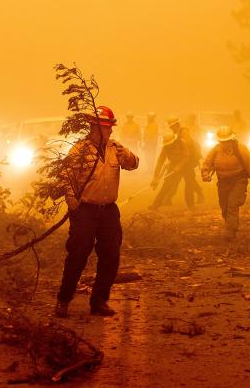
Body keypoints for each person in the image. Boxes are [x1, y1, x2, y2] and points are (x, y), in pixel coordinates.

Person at [55, 106, 139, 318]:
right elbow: (65, 175)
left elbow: (133, 164)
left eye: (110, 127)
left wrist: (128, 156)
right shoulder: (80, 150)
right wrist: (70, 196)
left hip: (109, 210)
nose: (109, 131)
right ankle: (64, 299)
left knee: (111, 256)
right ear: (94, 128)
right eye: (105, 127)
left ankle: (99, 300)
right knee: (78, 255)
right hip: (85, 210)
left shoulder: (115, 148)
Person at [201, 126, 250, 240]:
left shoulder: (240, 149)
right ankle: (230, 226)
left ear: (231, 139)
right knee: (224, 206)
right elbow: (207, 163)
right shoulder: (216, 149)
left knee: (232, 205)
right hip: (223, 182)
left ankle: (231, 231)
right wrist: (205, 174)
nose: (224, 143)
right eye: (222, 141)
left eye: (226, 141)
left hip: (238, 180)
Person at [149, 119, 187, 209]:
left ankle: (192, 204)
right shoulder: (166, 147)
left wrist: (179, 166)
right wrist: (156, 177)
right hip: (173, 165)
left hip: (187, 166)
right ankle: (156, 204)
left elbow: (186, 157)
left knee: (190, 184)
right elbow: (160, 161)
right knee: (167, 184)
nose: (168, 146)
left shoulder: (182, 143)